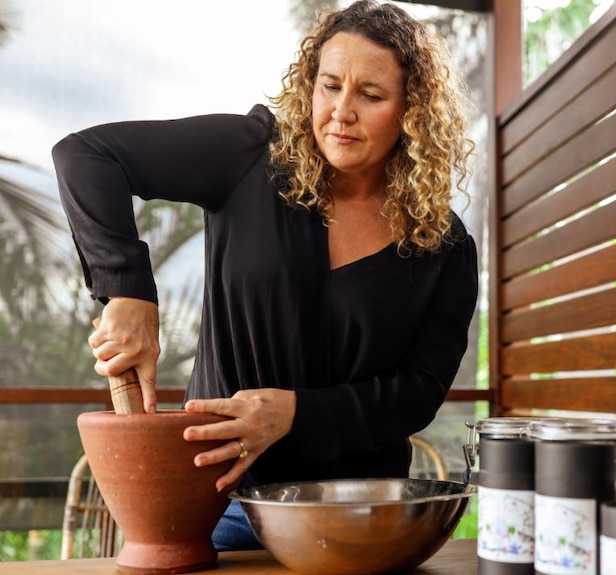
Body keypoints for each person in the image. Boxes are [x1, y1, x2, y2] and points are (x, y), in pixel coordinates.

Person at [52, 0, 478, 551]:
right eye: (329, 86)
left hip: (359, 512)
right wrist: (127, 290)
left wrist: (295, 414)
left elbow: (417, 394)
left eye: (370, 96)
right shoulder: (249, 156)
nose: (341, 112)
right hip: (218, 504)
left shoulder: (443, 243)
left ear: (411, 110)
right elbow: (86, 155)